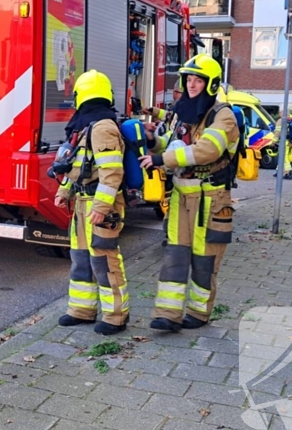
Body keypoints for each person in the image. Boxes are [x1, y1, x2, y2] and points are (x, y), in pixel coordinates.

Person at [139, 54, 240, 332]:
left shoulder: (223, 115)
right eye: (189, 80)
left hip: (211, 200)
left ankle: (198, 314)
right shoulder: (184, 112)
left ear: (211, 84)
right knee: (175, 255)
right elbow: (173, 145)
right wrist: (153, 142)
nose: (192, 85)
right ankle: (167, 315)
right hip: (181, 196)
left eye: (198, 80)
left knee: (204, 259)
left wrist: (163, 161)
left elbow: (207, 150)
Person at [53, 70, 130, 336]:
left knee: (105, 260)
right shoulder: (86, 126)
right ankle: (81, 310)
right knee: (81, 258)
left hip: (100, 204)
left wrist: (101, 207)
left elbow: (112, 172)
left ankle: (115, 316)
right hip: (83, 202)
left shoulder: (103, 127)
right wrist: (65, 190)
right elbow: (77, 166)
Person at [272, 113, 292, 180]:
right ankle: (278, 171)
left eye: (280, 113)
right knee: (282, 157)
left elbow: (277, 133)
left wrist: (273, 142)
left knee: (284, 158)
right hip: (291, 142)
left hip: (284, 142)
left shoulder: (281, 121)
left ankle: (288, 173)